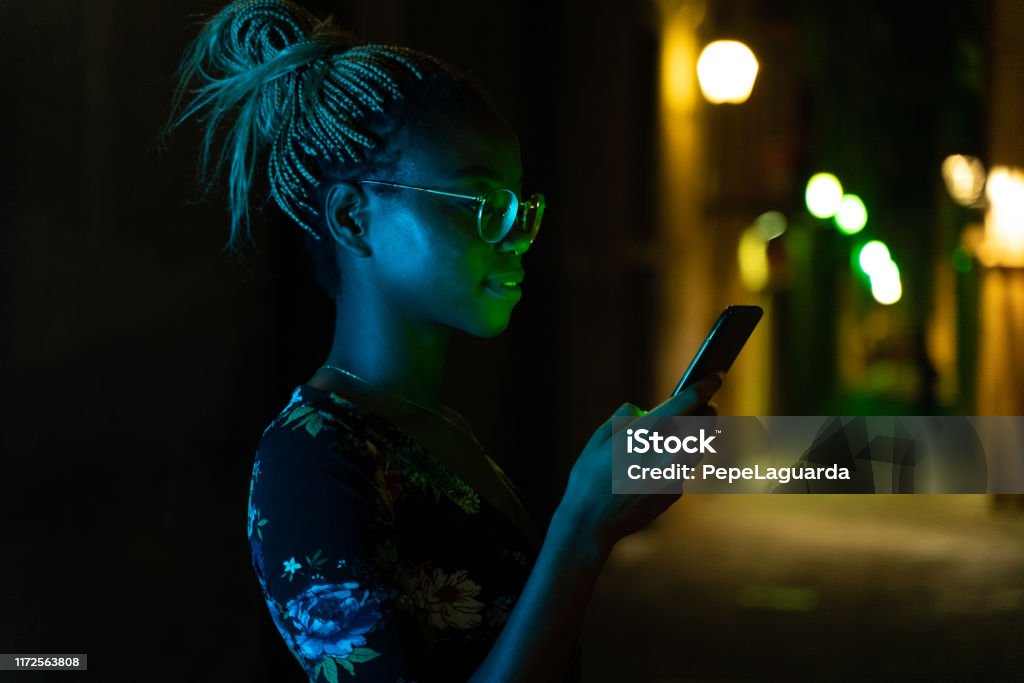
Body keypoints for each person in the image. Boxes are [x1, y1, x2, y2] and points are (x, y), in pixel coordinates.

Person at [167, 1, 722, 680]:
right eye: (484, 206)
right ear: (353, 216)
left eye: (524, 210)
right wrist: (581, 529)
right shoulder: (308, 462)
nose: (517, 239)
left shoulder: (437, 429)